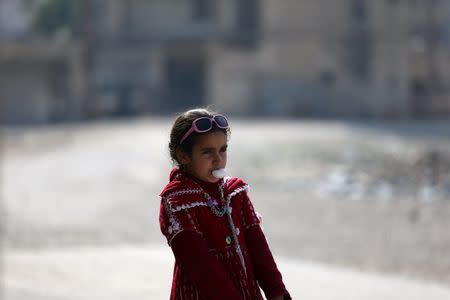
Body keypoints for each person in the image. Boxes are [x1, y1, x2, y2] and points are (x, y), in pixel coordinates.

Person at [159, 108, 291, 300]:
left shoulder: (235, 193)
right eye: (207, 152)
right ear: (183, 156)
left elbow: (259, 248)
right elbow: (200, 266)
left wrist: (276, 291)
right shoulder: (177, 202)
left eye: (223, 149)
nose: (218, 159)